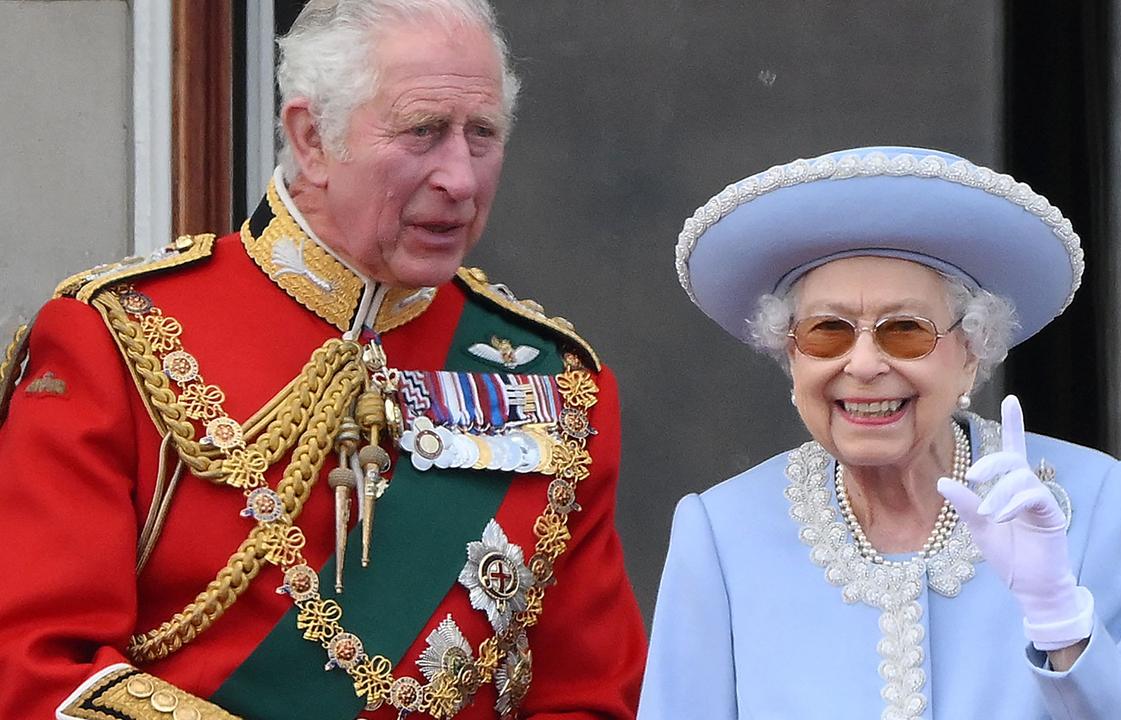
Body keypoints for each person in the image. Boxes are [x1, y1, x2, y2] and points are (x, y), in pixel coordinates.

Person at [0, 1, 646, 718]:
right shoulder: (119, 339)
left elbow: (589, 696)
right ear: (311, 138)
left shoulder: (555, 386)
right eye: (423, 131)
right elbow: (37, 672)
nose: (460, 179)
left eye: (483, 135)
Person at [639, 146, 1121, 718]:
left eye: (905, 330)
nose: (862, 365)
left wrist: (1061, 623)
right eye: (827, 331)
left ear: (971, 354)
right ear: (792, 358)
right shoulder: (722, 533)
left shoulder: (1102, 504)